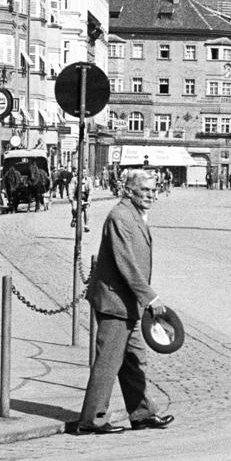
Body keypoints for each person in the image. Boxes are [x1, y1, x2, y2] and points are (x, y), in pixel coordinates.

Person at [71, 169, 173, 436]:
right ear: (129, 190)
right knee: (108, 361)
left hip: (128, 304)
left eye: (154, 190)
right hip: (115, 302)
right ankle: (92, 419)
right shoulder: (120, 216)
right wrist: (150, 296)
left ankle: (142, 414)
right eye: (146, 190)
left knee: (134, 360)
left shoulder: (134, 214)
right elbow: (125, 261)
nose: (152, 195)